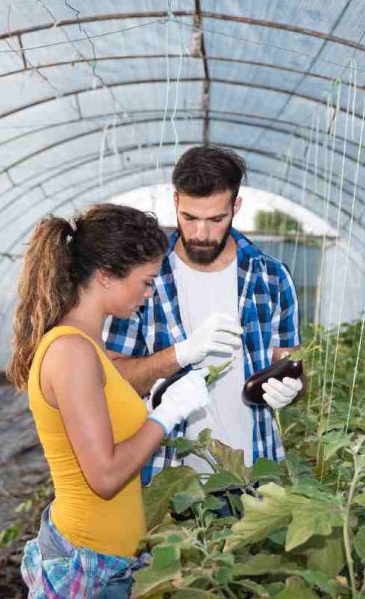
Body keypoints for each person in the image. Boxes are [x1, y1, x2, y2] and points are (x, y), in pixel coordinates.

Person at [6, 205, 211, 598]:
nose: (148, 294)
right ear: (106, 276)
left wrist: (166, 381)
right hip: (87, 566)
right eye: (146, 281)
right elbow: (105, 476)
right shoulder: (71, 351)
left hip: (107, 561)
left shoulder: (88, 345)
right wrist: (166, 415)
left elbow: (116, 402)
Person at [104, 145, 303, 484]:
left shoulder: (271, 277)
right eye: (190, 218)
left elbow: (289, 360)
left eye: (216, 219)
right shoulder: (143, 278)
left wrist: (293, 387)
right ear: (176, 202)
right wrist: (178, 356)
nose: (201, 233)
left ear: (236, 207)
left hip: (254, 472)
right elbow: (113, 377)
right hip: (166, 476)